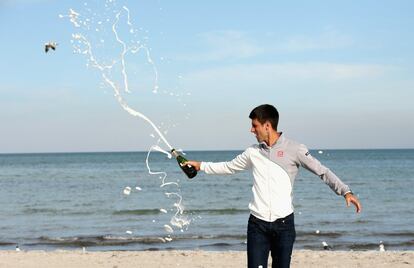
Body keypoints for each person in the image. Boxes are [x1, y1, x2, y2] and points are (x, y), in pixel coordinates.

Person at [185, 104, 362, 268]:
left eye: (255, 126)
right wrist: (201, 166)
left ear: (267, 126)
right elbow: (228, 167)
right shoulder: (252, 152)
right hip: (257, 225)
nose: (251, 130)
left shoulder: (295, 149)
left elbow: (321, 171)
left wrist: (345, 191)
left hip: (284, 225)